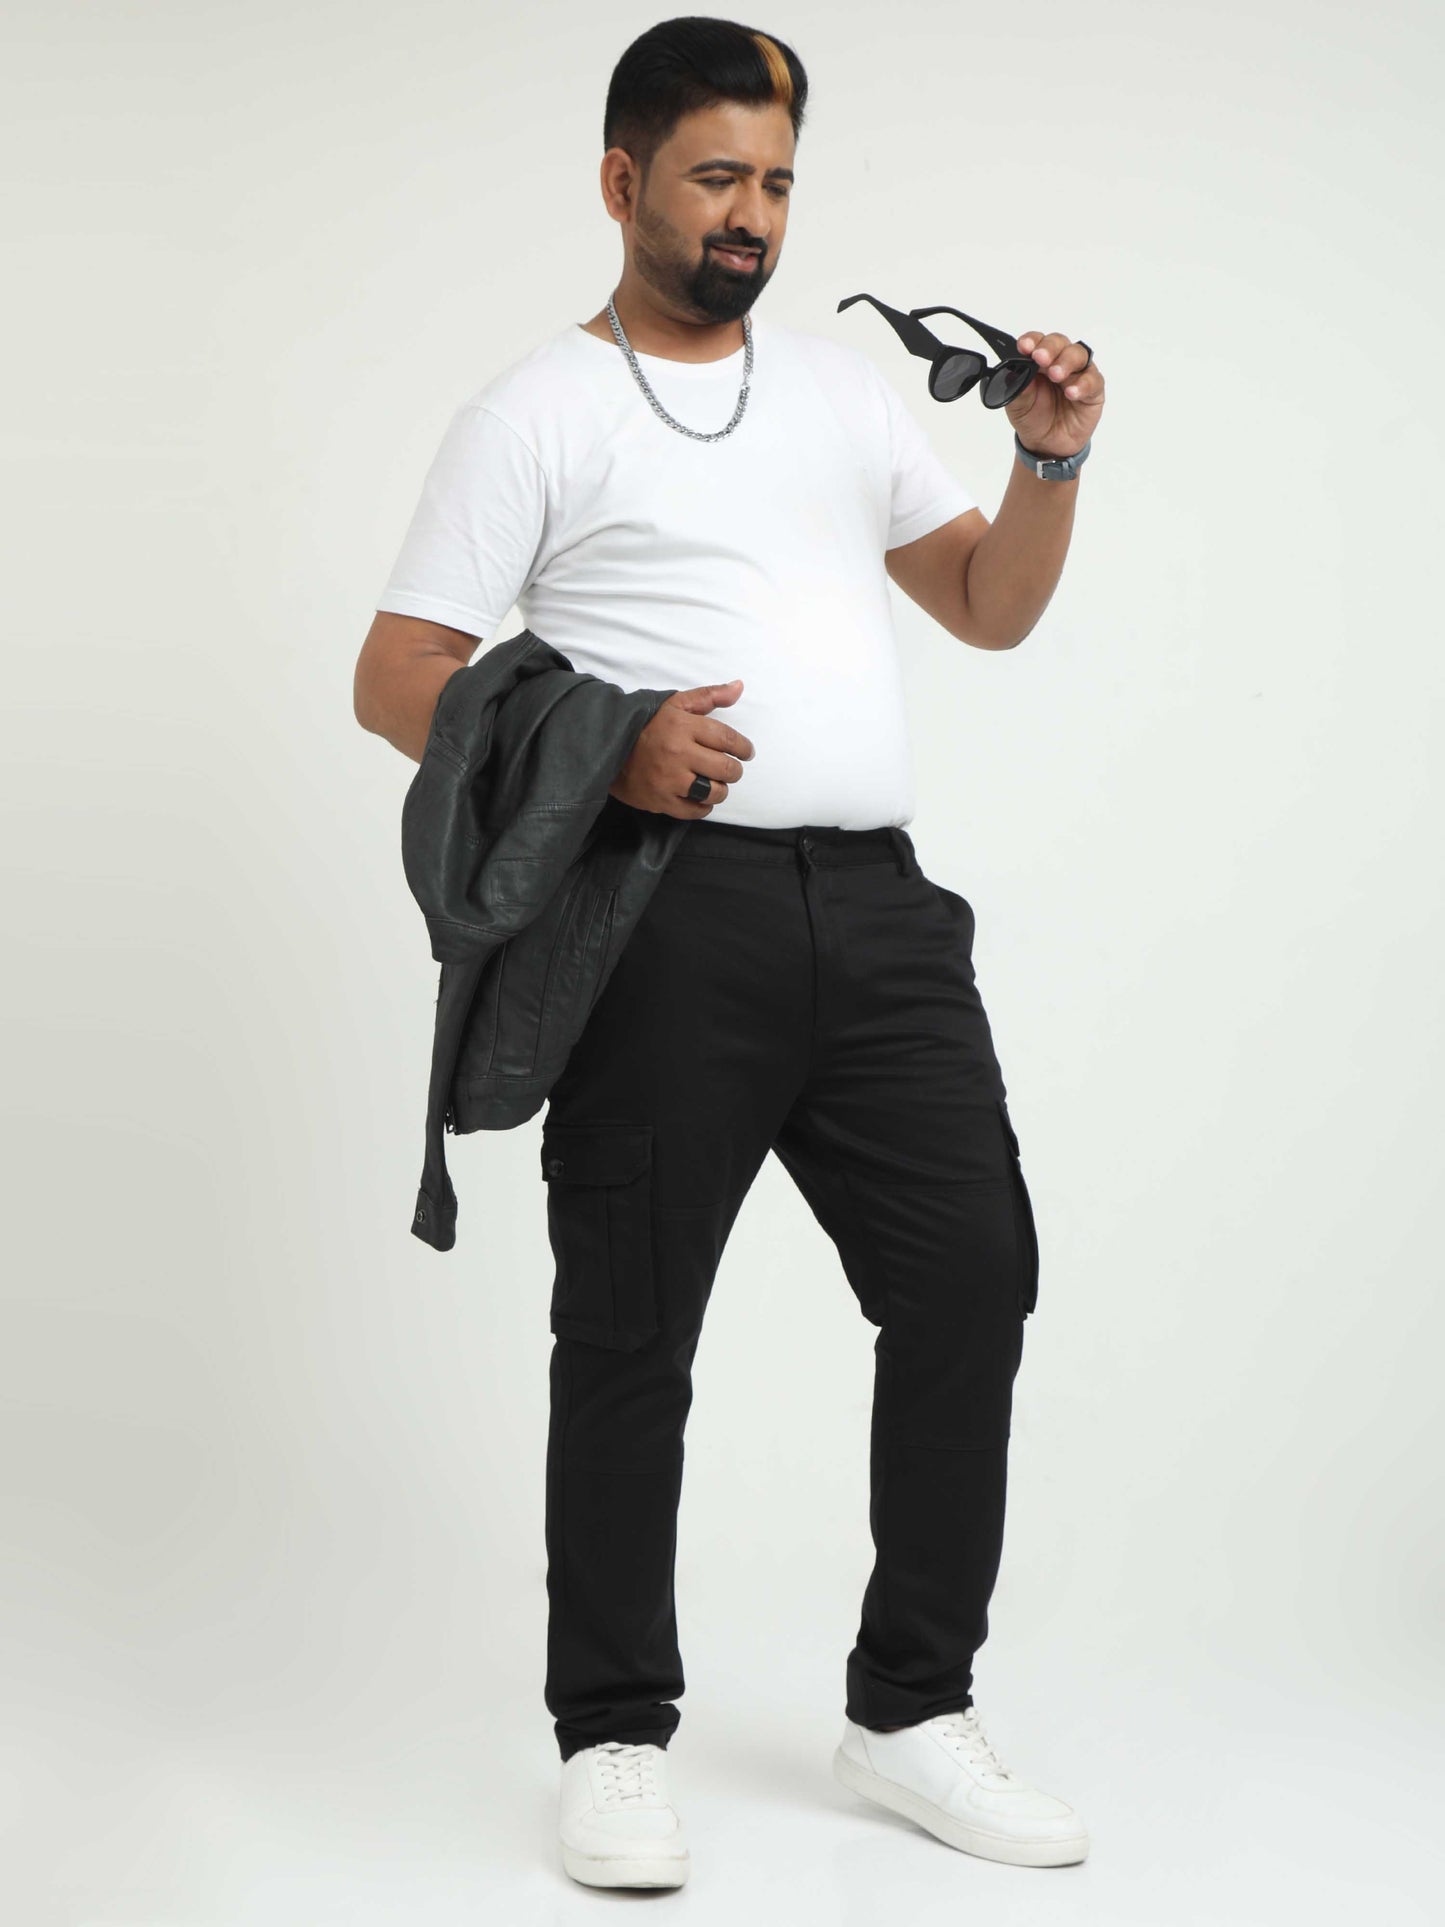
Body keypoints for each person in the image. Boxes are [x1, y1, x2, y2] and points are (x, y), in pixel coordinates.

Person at [353, 15, 1105, 1892]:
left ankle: (910, 1709)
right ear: (622, 182)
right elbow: (394, 677)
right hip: (659, 921)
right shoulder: (535, 411)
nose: (751, 214)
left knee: (971, 1278)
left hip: (880, 914)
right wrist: (610, 742)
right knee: (630, 1327)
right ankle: (611, 1734)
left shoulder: (844, 396)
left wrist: (1047, 464)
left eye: (774, 180)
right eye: (714, 177)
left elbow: (986, 610)